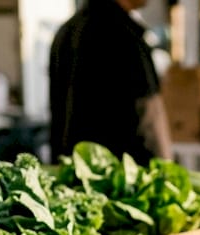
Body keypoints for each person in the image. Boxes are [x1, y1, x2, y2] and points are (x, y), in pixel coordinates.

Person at [48, 0, 171, 164]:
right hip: (121, 179)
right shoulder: (125, 35)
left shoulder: (67, 32)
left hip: (76, 173)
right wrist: (163, 174)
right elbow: (147, 118)